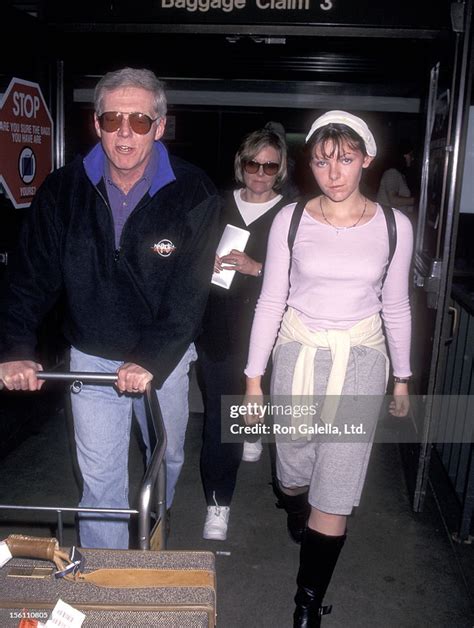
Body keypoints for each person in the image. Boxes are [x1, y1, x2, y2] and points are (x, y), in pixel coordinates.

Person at [0, 67, 220, 549]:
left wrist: (153, 359)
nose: (125, 132)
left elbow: (190, 292)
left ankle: (152, 539)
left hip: (163, 356)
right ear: (96, 124)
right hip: (92, 355)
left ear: (159, 127)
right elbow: (29, 274)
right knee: (100, 484)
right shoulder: (63, 191)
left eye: (139, 121)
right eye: (112, 119)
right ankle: (108, 586)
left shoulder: (194, 191)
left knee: (167, 462)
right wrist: (15, 346)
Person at [244, 110, 413, 626]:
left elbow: (396, 305)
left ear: (366, 158)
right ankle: (294, 504)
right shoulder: (291, 220)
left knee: (334, 490)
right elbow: (271, 300)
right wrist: (253, 378)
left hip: (361, 358)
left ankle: (307, 605)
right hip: (297, 352)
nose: (333, 172)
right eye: (321, 161)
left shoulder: (392, 225)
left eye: (344, 159)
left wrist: (402, 377)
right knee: (293, 474)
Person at [196, 128, 290, 541]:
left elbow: (304, 275)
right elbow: (186, 251)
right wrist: (205, 264)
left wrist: (257, 268)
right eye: (254, 164)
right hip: (218, 321)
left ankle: (252, 426)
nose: (260, 173)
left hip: (265, 327)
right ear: (242, 163)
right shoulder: (216, 204)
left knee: (248, 399)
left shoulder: (292, 213)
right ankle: (219, 502)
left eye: (270, 166)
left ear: (280, 169)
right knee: (221, 413)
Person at [376, 142, 416, 215]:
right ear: (402, 156)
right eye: (410, 155)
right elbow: (393, 200)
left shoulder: (400, 175)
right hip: (388, 219)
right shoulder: (392, 173)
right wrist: (417, 201)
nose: (412, 158)